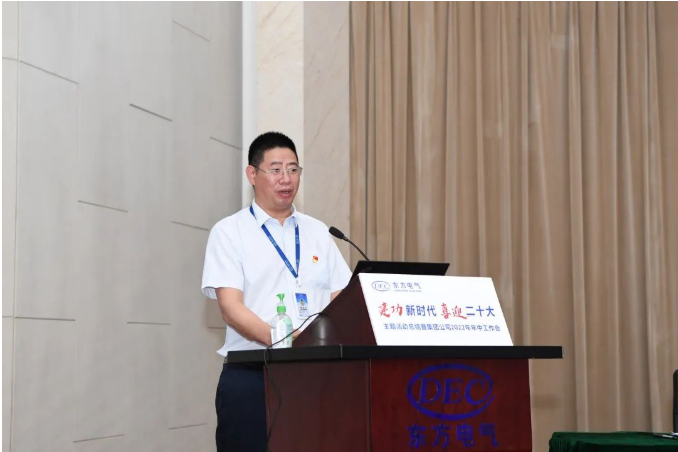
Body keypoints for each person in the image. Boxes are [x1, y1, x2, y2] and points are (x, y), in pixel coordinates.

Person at [201, 131, 352, 451]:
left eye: (293, 169)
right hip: (253, 375)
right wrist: (287, 341)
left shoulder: (318, 231)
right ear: (252, 174)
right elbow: (231, 308)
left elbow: (341, 296)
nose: (286, 178)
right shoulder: (230, 232)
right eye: (276, 169)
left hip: (316, 376)